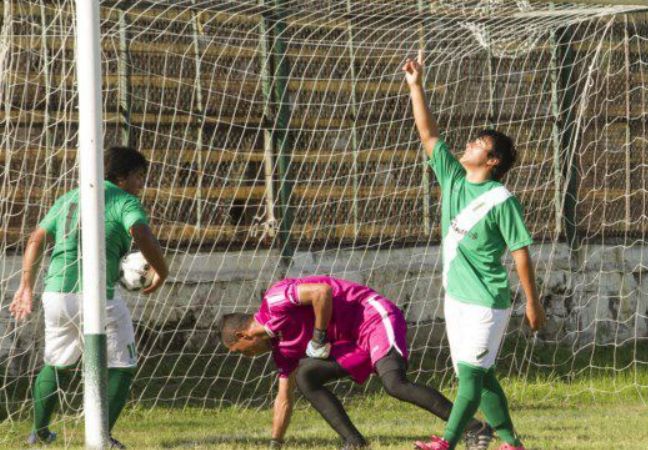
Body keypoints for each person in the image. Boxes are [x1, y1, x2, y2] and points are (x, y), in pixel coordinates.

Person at [403, 51, 546, 450]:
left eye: (478, 144)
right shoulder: (452, 178)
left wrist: (532, 303)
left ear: (492, 160)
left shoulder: (502, 201)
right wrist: (416, 86)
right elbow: (428, 135)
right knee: (481, 376)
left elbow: (521, 254)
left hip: (487, 301)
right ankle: (511, 443)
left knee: (470, 377)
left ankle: (447, 443)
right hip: (456, 298)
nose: (468, 144)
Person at [10, 146, 169, 448]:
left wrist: (26, 286)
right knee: (122, 365)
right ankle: (102, 437)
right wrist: (162, 270)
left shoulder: (70, 197)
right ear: (122, 176)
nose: (141, 183)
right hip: (96, 296)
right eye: (139, 176)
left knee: (56, 363)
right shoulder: (123, 200)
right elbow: (141, 232)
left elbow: (36, 238)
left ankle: (38, 433)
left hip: (56, 294)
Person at [219, 275, 493, 450]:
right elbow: (283, 398)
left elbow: (322, 292)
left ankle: (476, 428)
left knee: (394, 384)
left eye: (241, 351)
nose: (246, 356)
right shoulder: (281, 350)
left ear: (243, 336)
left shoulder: (275, 300)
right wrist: (275, 443)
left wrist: (318, 337)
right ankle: (354, 442)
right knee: (305, 377)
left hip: (372, 317)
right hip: (353, 341)